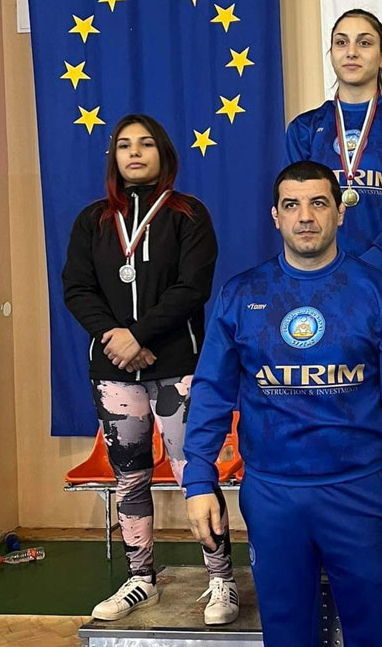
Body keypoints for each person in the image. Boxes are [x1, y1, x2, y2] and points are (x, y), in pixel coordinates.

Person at [182, 160, 382, 646]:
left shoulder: (379, 293)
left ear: (340, 212)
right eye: (292, 205)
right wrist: (198, 480)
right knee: (286, 634)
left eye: (318, 203)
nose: (305, 216)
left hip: (360, 492)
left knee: (372, 634)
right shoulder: (242, 294)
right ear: (275, 216)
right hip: (272, 495)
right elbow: (211, 391)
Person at [62, 114, 238, 624]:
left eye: (145, 144)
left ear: (164, 153)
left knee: (193, 473)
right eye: (124, 145)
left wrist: (139, 336)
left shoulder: (188, 214)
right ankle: (141, 578)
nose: (134, 153)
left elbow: (193, 287)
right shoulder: (93, 220)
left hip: (176, 366)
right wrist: (117, 339)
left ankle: (221, 578)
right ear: (113, 157)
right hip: (113, 371)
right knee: (130, 479)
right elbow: (77, 288)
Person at [285, 6, 382, 578]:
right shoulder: (305, 128)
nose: (352, 51)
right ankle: (330, 526)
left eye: (364, 42)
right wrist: (333, 273)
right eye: (341, 42)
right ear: (330, 54)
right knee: (326, 397)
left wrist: (364, 268)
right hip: (318, 289)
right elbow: (294, 207)